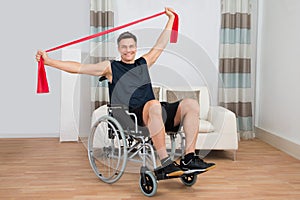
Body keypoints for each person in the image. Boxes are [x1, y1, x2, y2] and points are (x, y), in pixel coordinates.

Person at [36, 7, 215, 177]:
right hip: (133, 116)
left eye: (131, 46)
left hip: (154, 112)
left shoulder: (143, 63)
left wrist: (171, 19)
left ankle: (189, 158)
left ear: (135, 48)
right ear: (119, 49)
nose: (128, 50)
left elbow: (161, 43)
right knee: (153, 105)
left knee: (191, 104)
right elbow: (80, 68)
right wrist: (49, 62)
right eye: (124, 47)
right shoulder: (111, 67)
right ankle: (165, 163)